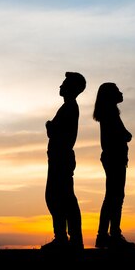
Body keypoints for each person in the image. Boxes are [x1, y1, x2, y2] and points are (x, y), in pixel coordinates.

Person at [41, 71, 86, 251]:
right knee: (59, 198)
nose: (60, 86)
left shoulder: (69, 107)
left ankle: (65, 239)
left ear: (72, 88)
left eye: (64, 83)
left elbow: (54, 131)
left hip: (61, 158)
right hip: (59, 157)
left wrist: (49, 125)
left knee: (59, 198)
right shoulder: (68, 107)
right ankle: (66, 238)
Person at [93, 82, 135, 249]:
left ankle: (105, 235)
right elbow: (124, 135)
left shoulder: (109, 113)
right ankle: (112, 235)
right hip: (114, 158)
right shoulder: (110, 114)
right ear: (110, 95)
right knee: (115, 197)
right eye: (117, 90)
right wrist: (127, 135)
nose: (121, 92)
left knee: (113, 197)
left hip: (113, 158)